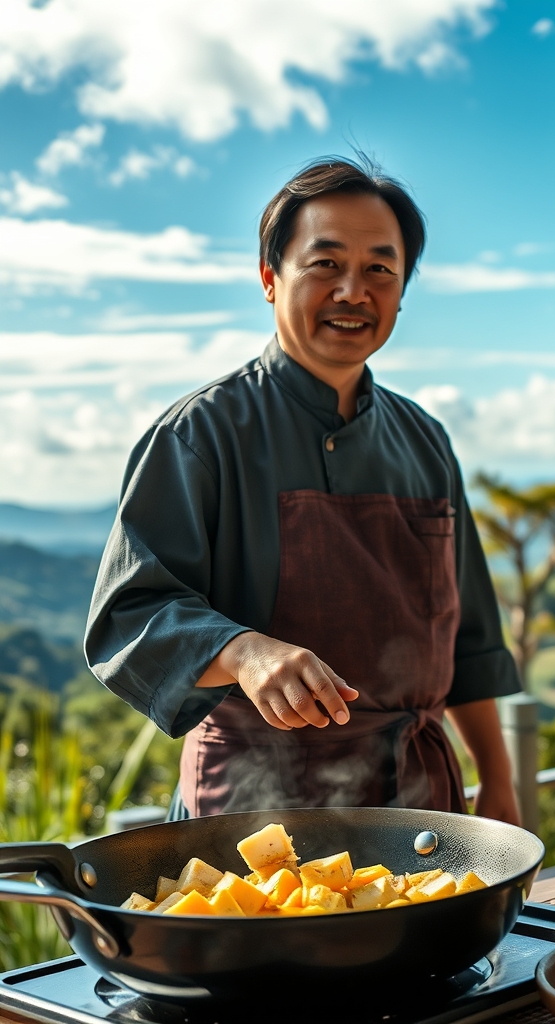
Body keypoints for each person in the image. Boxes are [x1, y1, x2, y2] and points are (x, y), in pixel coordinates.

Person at [85, 158, 522, 824]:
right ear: (270, 277)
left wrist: (498, 780)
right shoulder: (200, 435)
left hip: (420, 808)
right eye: (325, 263)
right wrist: (245, 651)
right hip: (253, 816)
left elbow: (471, 642)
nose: (353, 291)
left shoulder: (426, 441)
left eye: (380, 269)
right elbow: (127, 616)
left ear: (402, 293)